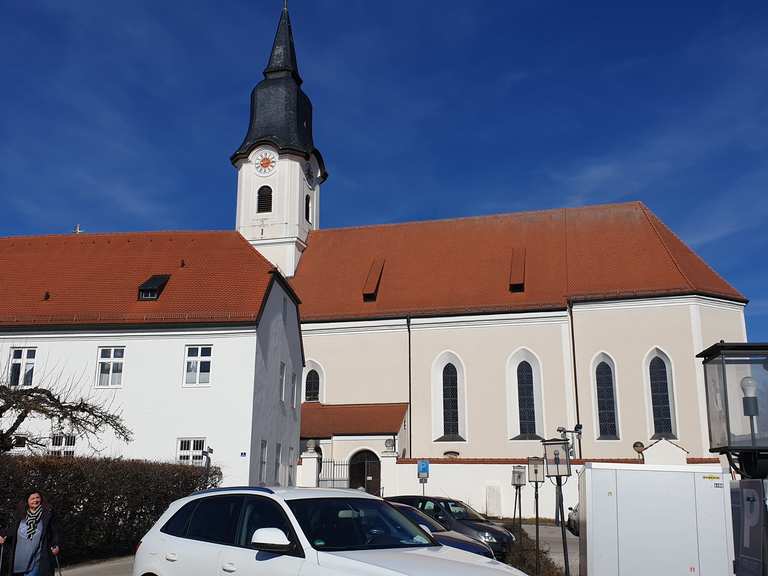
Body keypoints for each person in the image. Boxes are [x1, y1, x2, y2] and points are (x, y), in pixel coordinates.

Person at [0, 490, 61, 576]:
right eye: (32, 499)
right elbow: (11, 531)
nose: (35, 500)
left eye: (37, 498)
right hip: (20, 560)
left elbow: (55, 531)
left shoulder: (47, 515)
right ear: (27, 502)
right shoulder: (21, 516)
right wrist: (2, 535)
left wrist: (56, 544)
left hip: (38, 558)